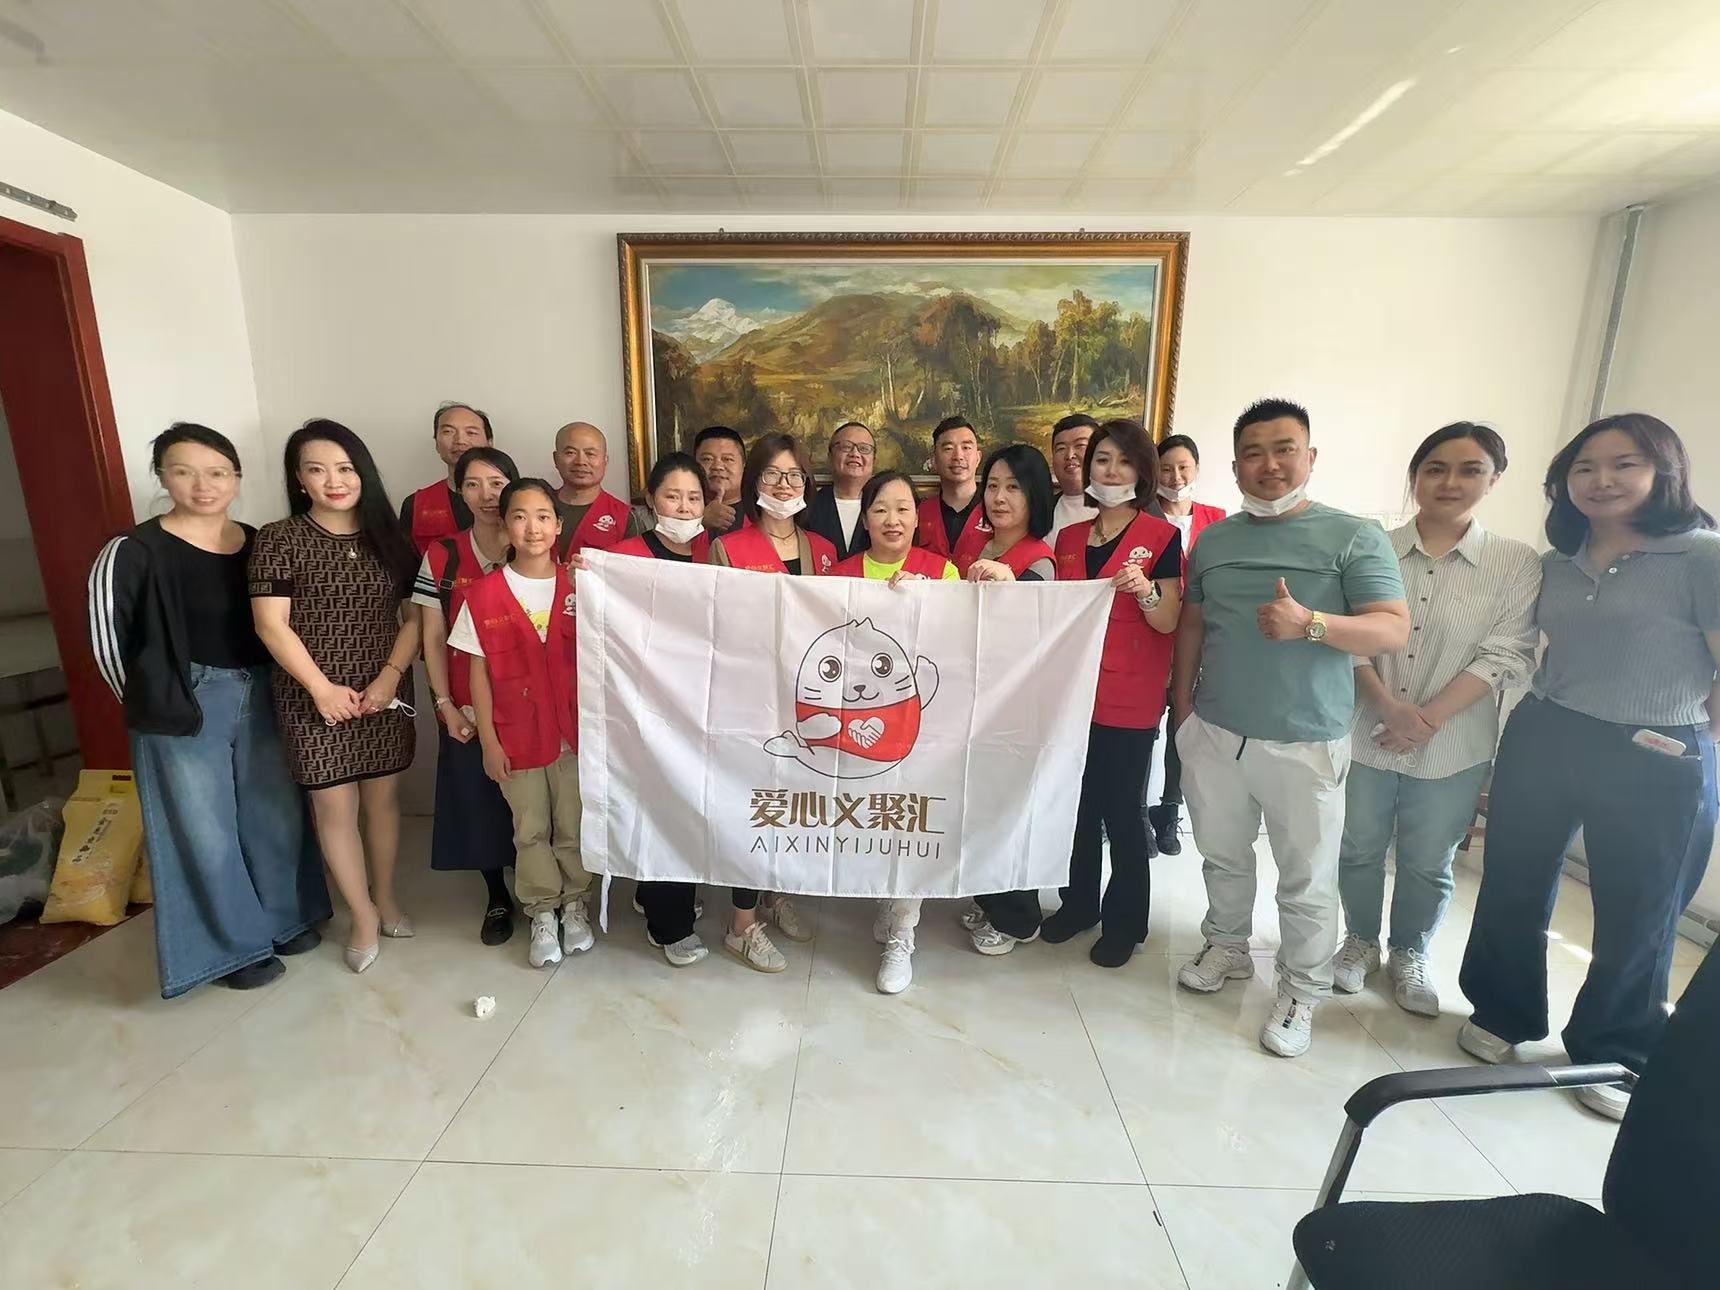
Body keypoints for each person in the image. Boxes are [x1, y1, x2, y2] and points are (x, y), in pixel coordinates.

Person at [1458, 412, 1718, 1121]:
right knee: (1512, 879)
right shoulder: (1556, 562)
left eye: (1624, 464)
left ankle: (1617, 1046)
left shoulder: (1703, 556)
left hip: (1657, 748)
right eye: (1584, 468)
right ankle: (1502, 1010)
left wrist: (1698, 745)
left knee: (1641, 908)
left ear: (1665, 471)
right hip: (1548, 730)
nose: (1602, 480)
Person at [1171, 398, 1409, 1058]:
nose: (1269, 465)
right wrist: (1183, 710)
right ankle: (1226, 945)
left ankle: (1302, 989)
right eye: (1253, 453)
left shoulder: (1354, 535)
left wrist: (1312, 624)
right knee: (1221, 854)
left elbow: (1392, 627)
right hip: (1216, 730)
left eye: (1284, 449)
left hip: (1305, 739)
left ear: (1310, 457)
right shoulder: (1215, 539)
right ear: (1235, 466)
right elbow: (1193, 624)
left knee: (1306, 877)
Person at [87, 424, 330, 997]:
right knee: (204, 829)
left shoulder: (258, 542)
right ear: (162, 477)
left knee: (274, 814)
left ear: (237, 479)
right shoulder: (133, 551)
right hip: (185, 699)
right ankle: (234, 946)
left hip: (263, 690)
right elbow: (106, 643)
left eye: (218, 472)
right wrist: (155, 704)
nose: (203, 485)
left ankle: (284, 918)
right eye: (184, 472)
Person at [1333, 423, 1539, 1018]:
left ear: (1494, 480)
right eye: (1435, 468)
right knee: (1359, 845)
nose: (1450, 482)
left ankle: (1410, 951)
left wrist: (1425, 719)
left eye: (1470, 469)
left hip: (1454, 741)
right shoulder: (1369, 546)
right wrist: (1386, 707)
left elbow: (1506, 652)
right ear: (1415, 476)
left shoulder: (1515, 562)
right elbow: (1347, 637)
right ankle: (1360, 940)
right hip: (1367, 730)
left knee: (1428, 859)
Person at [252, 420, 421, 975]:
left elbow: (414, 618)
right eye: (317, 470)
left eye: (345, 468)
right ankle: (362, 915)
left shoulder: (390, 538)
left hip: (382, 691)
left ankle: (386, 897)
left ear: (363, 472)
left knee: (383, 801)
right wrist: (320, 688)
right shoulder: (278, 538)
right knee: (333, 806)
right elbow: (271, 625)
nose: (334, 481)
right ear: (299, 479)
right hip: (312, 696)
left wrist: (390, 677)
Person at [1038, 421, 1183, 968]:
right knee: (1076, 807)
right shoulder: (1070, 539)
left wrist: (1145, 591)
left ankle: (1126, 921)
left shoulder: (1162, 536)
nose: (1112, 470)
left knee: (1122, 812)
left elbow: (1169, 620)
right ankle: (1079, 904)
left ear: (1142, 472)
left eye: (1124, 461)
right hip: (1074, 695)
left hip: (1130, 698)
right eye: (1102, 459)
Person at [450, 478, 594, 971]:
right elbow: (477, 676)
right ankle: (542, 911)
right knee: (529, 829)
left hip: (575, 735)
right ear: (505, 525)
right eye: (520, 516)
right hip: (515, 737)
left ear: (558, 525)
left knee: (572, 824)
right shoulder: (483, 595)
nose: (532, 527)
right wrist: (489, 743)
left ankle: (575, 903)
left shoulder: (580, 585)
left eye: (543, 516)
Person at [708, 434, 837, 966]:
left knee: (792, 803)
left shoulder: (824, 551)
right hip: (751, 698)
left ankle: (775, 893)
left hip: (808, 700)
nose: (783, 486)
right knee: (754, 805)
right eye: (771, 475)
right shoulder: (730, 548)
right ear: (753, 482)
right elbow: (714, 623)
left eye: (794, 475)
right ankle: (741, 923)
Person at [831, 470, 958, 994]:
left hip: (920, 721)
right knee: (872, 814)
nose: (892, 519)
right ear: (865, 518)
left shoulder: (941, 570)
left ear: (917, 517)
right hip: (858, 723)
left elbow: (961, 645)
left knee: (911, 818)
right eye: (881, 508)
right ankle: (886, 896)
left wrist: (932, 604)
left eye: (903, 508)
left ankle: (904, 932)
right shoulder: (839, 575)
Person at [411, 446, 522, 947]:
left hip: (528, 699)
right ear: (458, 490)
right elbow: (432, 635)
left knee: (536, 801)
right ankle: (497, 894)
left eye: (496, 483)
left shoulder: (535, 542)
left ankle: (546, 892)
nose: (486, 495)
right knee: (478, 801)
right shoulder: (443, 555)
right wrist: (444, 704)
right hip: (465, 703)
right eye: (473, 484)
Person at [609, 454, 716, 968]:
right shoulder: (623, 558)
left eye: (694, 498)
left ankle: (661, 890)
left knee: (692, 803)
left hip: (704, 703)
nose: (684, 507)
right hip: (646, 706)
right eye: (673, 496)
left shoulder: (714, 555)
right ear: (651, 500)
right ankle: (669, 924)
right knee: (659, 804)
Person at [957, 443, 1061, 955]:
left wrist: (1013, 583)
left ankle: (1019, 918)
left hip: (1014, 706)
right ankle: (990, 896)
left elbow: (1035, 632)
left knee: (1009, 808)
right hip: (973, 700)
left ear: (1034, 495)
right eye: (993, 486)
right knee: (979, 804)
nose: (999, 497)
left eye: (1013, 488)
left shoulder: (1038, 558)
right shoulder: (978, 547)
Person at [1146, 433, 1227, 855]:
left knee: (1183, 724)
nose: (1175, 477)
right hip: (1152, 635)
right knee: (1144, 729)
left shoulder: (1218, 520)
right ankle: (1138, 812)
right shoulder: (1142, 518)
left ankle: (1168, 810)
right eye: (1166, 468)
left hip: (1198, 641)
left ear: (1196, 469)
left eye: (1183, 468)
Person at [400, 402, 491, 555]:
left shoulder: (514, 499)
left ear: (489, 443)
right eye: (448, 431)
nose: (460, 440)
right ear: (436, 443)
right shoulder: (416, 505)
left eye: (471, 432)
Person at [551, 420, 642, 557]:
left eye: (590, 454)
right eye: (570, 453)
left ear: (605, 460)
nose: (581, 461)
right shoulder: (538, 506)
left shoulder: (625, 517)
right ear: (556, 459)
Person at [916, 415, 991, 574]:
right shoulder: (918, 512)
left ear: (978, 458)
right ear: (934, 460)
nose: (958, 456)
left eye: (966, 447)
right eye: (948, 448)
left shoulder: (995, 509)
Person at [805, 420, 875, 560]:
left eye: (864, 448)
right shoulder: (808, 505)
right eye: (846, 447)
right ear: (830, 456)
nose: (855, 454)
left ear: (874, 459)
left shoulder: (883, 506)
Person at [1046, 413, 1098, 547]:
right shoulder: (1040, 511)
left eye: (1080, 445)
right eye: (1061, 448)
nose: (1069, 455)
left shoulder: (1124, 508)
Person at [695, 425, 747, 538]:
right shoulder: (679, 510)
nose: (717, 466)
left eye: (728, 459)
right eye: (707, 459)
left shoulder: (760, 513)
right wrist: (699, 522)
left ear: (744, 465)